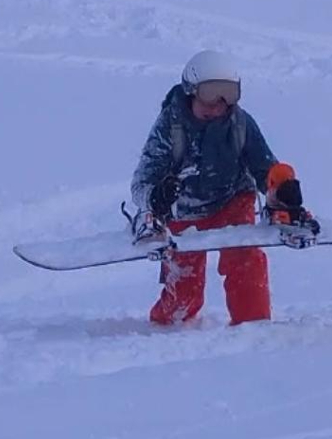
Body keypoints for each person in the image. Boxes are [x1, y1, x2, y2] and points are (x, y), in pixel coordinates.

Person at [131, 49, 307, 326]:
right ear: (191, 91)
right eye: (209, 93)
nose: (217, 104)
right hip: (183, 211)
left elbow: (265, 168)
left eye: (227, 94)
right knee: (185, 292)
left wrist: (282, 189)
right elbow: (141, 183)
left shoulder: (239, 123)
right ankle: (164, 329)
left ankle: (254, 328)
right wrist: (157, 197)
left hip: (232, 201)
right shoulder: (170, 126)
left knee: (245, 261)